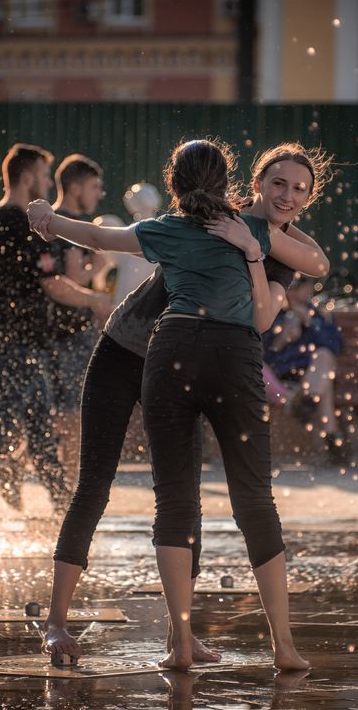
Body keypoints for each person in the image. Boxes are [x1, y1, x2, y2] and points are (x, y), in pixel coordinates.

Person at [29, 139, 329, 671]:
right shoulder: (210, 220)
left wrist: (264, 232)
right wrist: (51, 222)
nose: (287, 196)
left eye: (299, 190)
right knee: (96, 485)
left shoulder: (262, 240)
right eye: (278, 185)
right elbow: (104, 237)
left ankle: (180, 637)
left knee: (182, 499)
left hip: (176, 360)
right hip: (126, 351)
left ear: (308, 197)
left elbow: (308, 267)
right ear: (254, 184)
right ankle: (56, 621)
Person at [0, 144, 112, 516]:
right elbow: (53, 284)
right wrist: (95, 300)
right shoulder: (29, 226)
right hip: (22, 343)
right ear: (27, 179)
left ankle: (62, 503)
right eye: (43, 176)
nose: (47, 184)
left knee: (39, 427)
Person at [47, 154, 107, 479]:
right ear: (75, 187)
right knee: (74, 410)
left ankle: (15, 460)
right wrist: (98, 266)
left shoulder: (49, 221)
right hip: (73, 331)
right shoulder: (71, 225)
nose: (100, 194)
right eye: (95, 187)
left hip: (51, 331)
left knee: (55, 409)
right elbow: (74, 277)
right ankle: (70, 482)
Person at [263, 276, 348, 464]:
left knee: (324, 356)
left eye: (297, 288)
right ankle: (332, 439)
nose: (292, 293)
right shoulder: (273, 314)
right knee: (324, 389)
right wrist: (281, 341)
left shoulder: (319, 314)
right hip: (282, 378)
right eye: (289, 288)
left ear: (308, 288)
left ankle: (304, 402)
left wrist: (310, 323)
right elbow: (263, 355)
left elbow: (335, 346)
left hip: (312, 375)